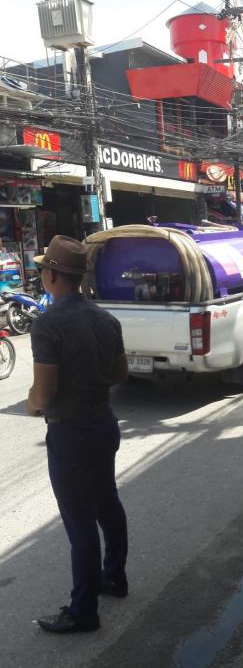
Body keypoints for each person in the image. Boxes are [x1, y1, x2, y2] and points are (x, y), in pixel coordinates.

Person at [28, 235, 129, 634]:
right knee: (107, 503)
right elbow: (120, 374)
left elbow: (44, 392)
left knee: (80, 522)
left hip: (69, 433)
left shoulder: (47, 324)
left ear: (52, 275)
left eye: (42, 270)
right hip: (102, 422)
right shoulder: (106, 319)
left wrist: (32, 403)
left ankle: (83, 610)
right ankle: (114, 577)